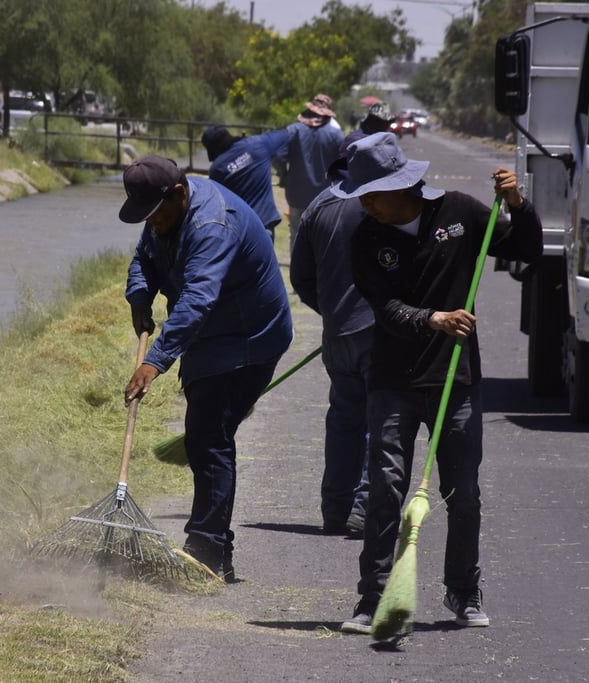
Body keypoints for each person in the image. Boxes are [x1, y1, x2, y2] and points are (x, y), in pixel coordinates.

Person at [332, 132, 542, 634]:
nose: (363, 204)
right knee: (385, 489)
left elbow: (527, 249)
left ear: (399, 186)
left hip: (456, 379)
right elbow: (383, 308)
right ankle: (373, 599)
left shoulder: (462, 212)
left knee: (462, 491)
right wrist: (433, 319)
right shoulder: (365, 237)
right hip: (392, 381)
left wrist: (517, 203)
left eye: (370, 194)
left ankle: (464, 594)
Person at [120, 156, 294, 581]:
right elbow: (144, 257)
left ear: (179, 195)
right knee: (204, 437)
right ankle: (211, 549)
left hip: (247, 338)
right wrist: (140, 297)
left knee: (209, 439)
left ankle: (208, 553)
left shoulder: (212, 225)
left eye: (156, 215)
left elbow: (198, 298)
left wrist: (155, 361)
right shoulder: (164, 210)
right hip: (207, 336)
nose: (153, 222)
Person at [289, 145, 373, 539]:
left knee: (343, 421)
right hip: (378, 328)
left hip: (337, 335)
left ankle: (336, 508)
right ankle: (364, 506)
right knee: (381, 421)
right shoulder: (380, 201)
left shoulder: (316, 208)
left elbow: (302, 281)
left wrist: (333, 312)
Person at [273, 93, 344, 254]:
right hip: (325, 198)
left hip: (296, 195)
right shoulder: (335, 135)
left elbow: (277, 156)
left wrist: (283, 175)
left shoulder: (293, 130)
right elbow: (343, 166)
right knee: (321, 238)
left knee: (296, 235)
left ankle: (297, 276)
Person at [201, 124, 289, 241]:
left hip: (239, 231)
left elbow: (216, 205)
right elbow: (287, 134)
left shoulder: (217, 169)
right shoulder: (257, 144)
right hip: (264, 224)